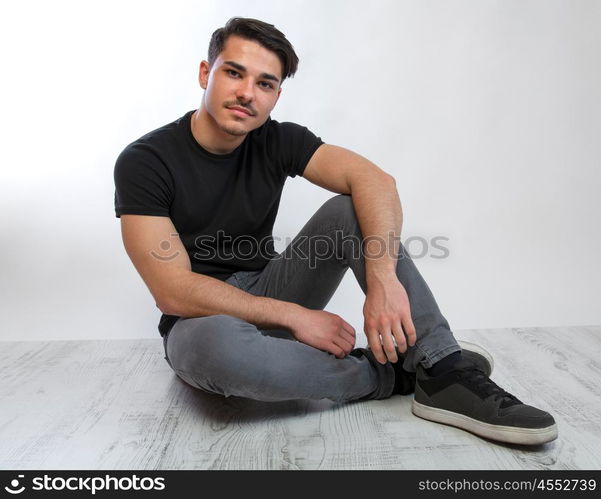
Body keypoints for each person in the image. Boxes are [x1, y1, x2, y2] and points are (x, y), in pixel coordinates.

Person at [114, 17, 557, 446]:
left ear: (276, 95)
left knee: (349, 211)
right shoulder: (146, 161)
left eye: (265, 84)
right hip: (201, 319)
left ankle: (444, 369)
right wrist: (294, 316)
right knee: (215, 350)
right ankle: (393, 375)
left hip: (270, 286)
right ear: (205, 73)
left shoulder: (276, 139)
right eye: (234, 73)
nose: (247, 93)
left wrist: (383, 280)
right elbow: (173, 291)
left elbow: (375, 181)